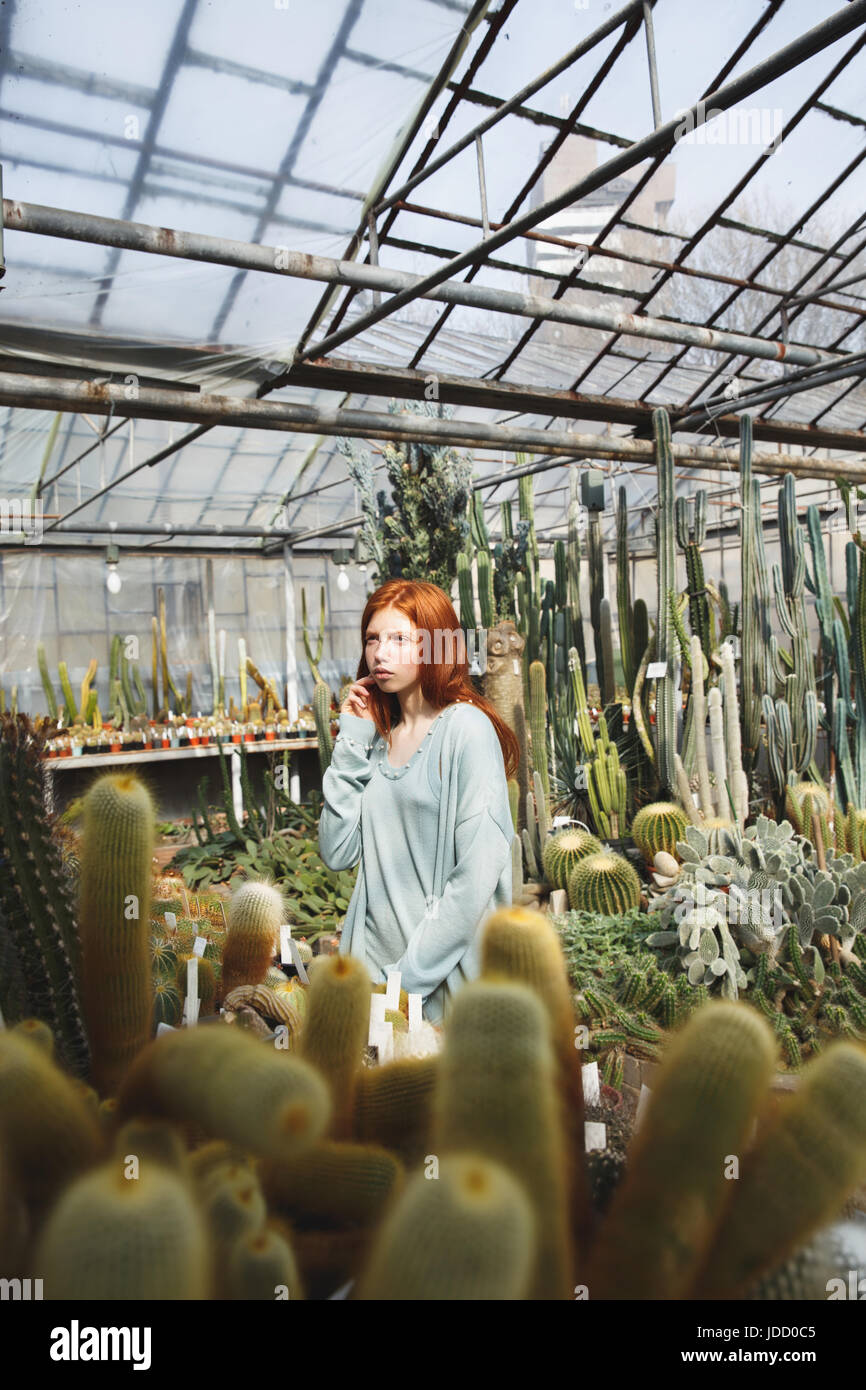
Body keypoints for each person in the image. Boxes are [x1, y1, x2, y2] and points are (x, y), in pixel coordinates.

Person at [318, 578, 520, 1024]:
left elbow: (475, 880)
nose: (380, 653)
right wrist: (351, 740)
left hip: (437, 991)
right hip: (369, 975)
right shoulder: (375, 737)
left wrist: (403, 984)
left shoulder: (466, 731)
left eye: (399, 639)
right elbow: (336, 851)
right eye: (373, 639)